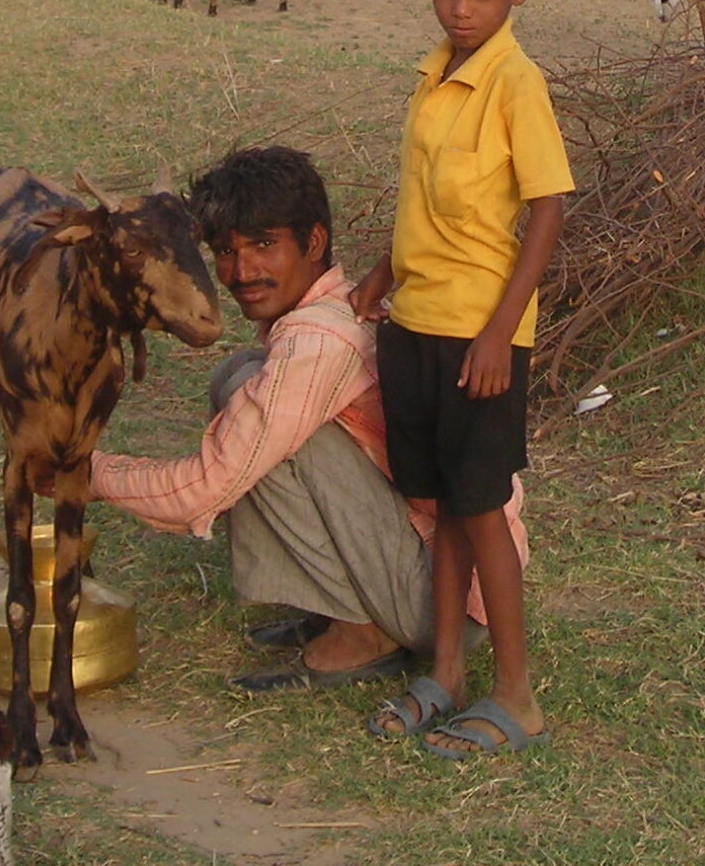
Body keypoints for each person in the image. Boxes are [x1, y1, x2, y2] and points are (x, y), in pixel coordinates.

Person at [89, 146, 522, 692]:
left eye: (265, 245)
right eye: (225, 251)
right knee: (241, 378)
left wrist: (90, 473)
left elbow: (203, 490)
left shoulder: (319, 340)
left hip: (443, 604)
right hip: (430, 571)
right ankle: (340, 605)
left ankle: (366, 635)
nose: (241, 271)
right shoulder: (328, 310)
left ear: (313, 243)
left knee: (262, 435)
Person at [351, 0, 572, 760]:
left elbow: (547, 208)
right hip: (414, 323)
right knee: (439, 504)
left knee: (481, 512)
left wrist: (498, 332)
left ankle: (516, 696)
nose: (462, 8)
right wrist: (382, 272)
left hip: (480, 336)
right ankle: (443, 672)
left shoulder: (517, 83)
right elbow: (424, 202)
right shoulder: (432, 71)